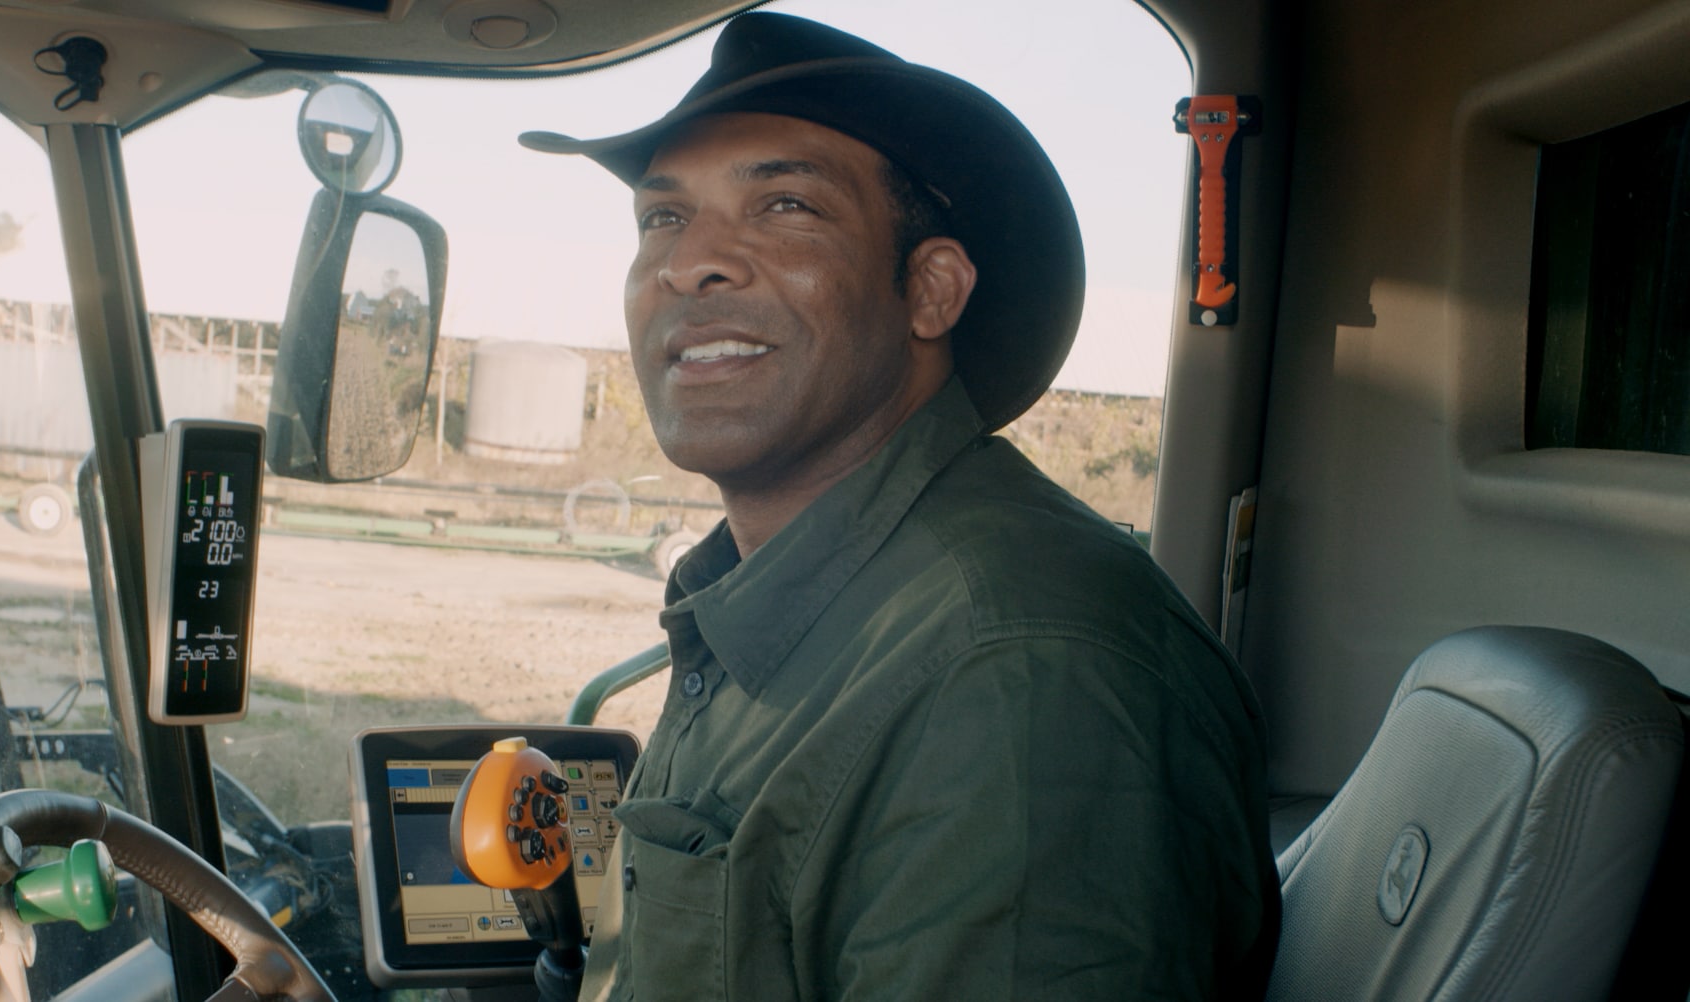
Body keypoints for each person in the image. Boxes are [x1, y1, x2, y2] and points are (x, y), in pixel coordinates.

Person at [522, 12, 1279, 1000]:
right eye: (662, 218)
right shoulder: (804, 597)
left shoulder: (1014, 674)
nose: (689, 262)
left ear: (930, 292)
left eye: (785, 205)